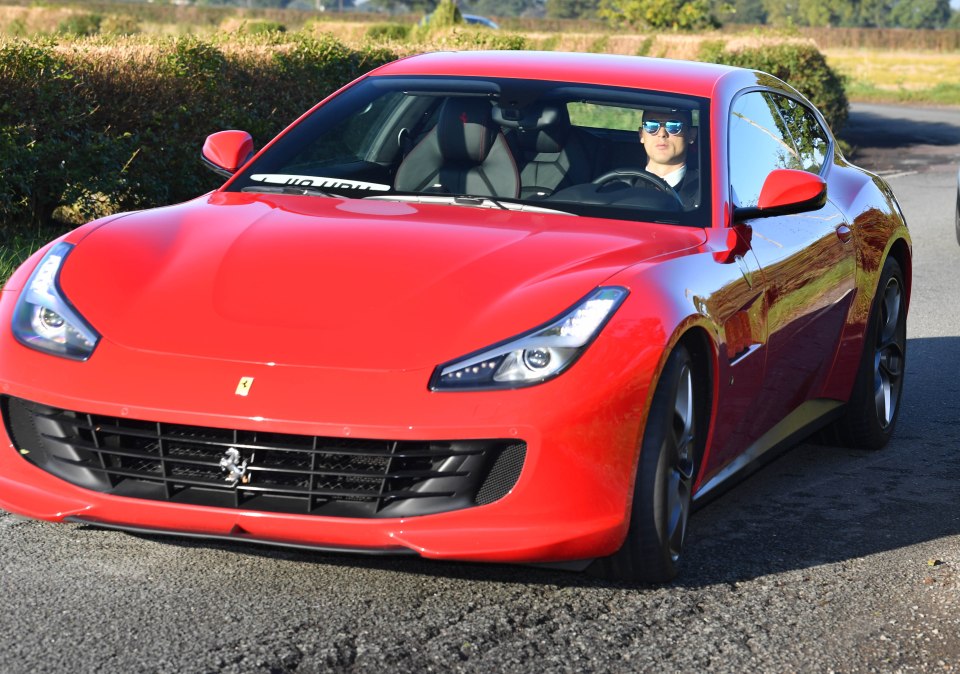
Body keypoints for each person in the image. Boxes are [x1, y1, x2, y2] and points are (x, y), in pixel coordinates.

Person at [638, 108, 700, 208]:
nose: (662, 134)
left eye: (674, 126)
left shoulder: (710, 192)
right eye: (652, 125)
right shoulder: (617, 188)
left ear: (691, 135)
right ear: (641, 135)